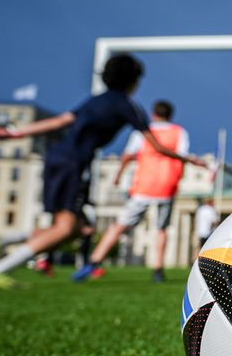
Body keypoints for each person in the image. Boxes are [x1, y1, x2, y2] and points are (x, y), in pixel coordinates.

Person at [0, 53, 204, 289]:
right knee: (65, 228)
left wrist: (14, 132)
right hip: (74, 163)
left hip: (57, 157)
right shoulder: (129, 106)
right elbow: (158, 147)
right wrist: (192, 161)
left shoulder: (96, 100)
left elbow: (61, 120)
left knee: (75, 228)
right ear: (133, 81)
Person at [74, 100, 201, 283]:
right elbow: (181, 155)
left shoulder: (143, 131)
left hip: (144, 185)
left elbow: (128, 155)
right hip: (167, 184)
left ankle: (94, 261)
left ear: (154, 114)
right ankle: (158, 269)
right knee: (161, 229)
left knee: (120, 225)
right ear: (170, 115)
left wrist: (119, 174)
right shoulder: (179, 132)